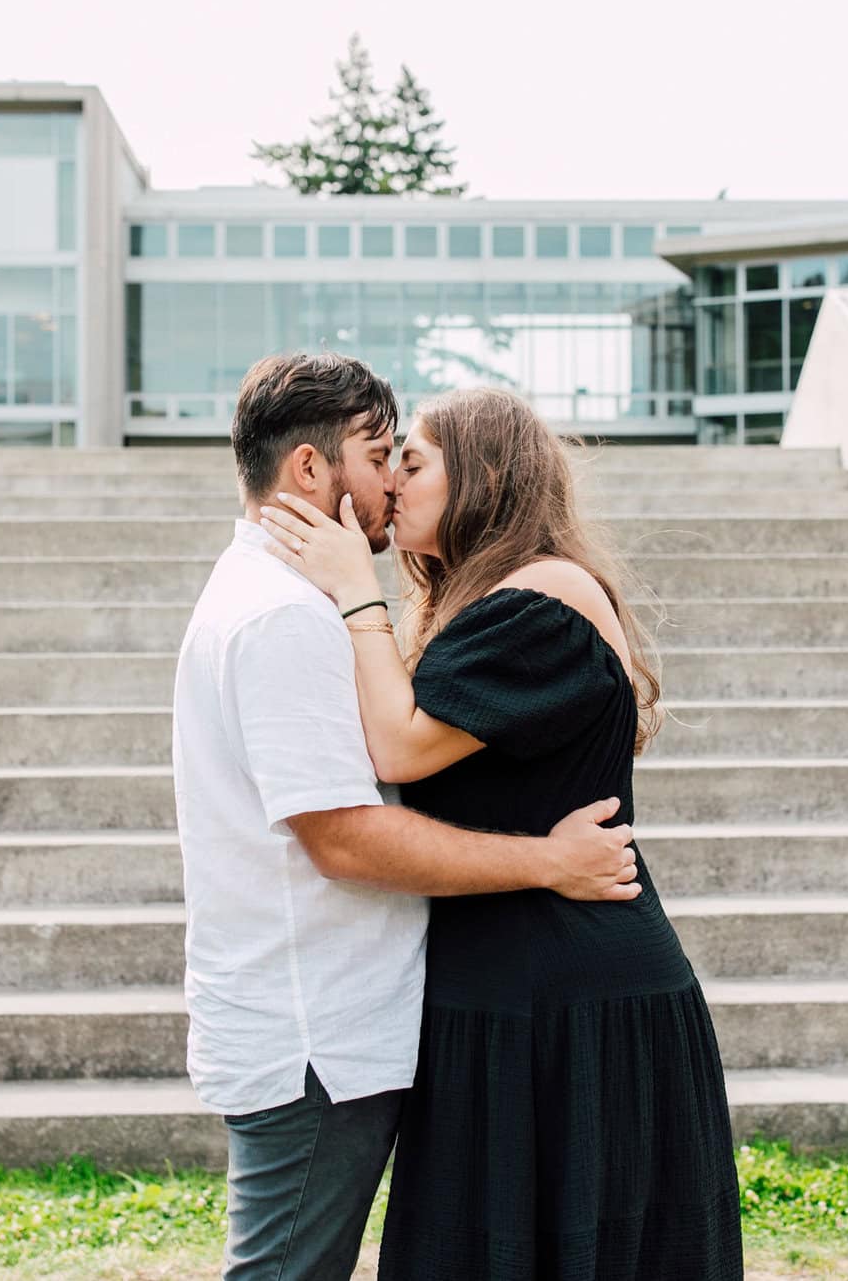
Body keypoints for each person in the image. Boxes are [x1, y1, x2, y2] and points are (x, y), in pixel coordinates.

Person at [173, 354, 646, 1281]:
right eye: (381, 453)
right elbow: (346, 833)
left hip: (370, 1016)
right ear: (310, 471)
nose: (392, 479)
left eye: (408, 459)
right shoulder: (284, 617)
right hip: (320, 1033)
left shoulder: (292, 601)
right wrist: (546, 863)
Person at [259, 385, 744, 1280]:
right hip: (503, 981)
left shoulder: (542, 597)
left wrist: (356, 595)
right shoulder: (484, 600)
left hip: (568, 1000)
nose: (393, 484)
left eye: (414, 461)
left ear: (482, 474)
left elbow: (400, 747)